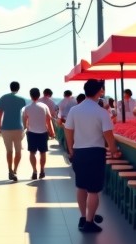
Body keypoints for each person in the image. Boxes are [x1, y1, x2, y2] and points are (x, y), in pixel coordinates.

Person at [64, 79, 119, 233]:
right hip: (95, 152)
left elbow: (68, 130)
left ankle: (83, 217)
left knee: (81, 186)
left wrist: (70, 149)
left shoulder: (75, 110)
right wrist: (114, 150)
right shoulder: (101, 112)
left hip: (79, 151)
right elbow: (108, 134)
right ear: (99, 91)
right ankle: (89, 222)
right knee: (93, 190)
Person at [0, 81, 26, 182]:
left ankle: (9, 170)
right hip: (18, 127)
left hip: (5, 128)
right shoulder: (22, 99)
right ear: (18, 88)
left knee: (9, 151)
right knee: (18, 151)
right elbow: (25, 114)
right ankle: (15, 171)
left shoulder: (3, 98)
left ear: (10, 87)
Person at [23, 87, 53, 180]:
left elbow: (24, 122)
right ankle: (42, 170)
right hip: (43, 132)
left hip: (31, 133)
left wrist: (26, 129)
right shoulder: (44, 106)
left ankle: (34, 171)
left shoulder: (27, 108)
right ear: (39, 95)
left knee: (32, 153)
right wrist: (52, 132)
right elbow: (49, 120)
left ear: (30, 96)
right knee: (42, 153)